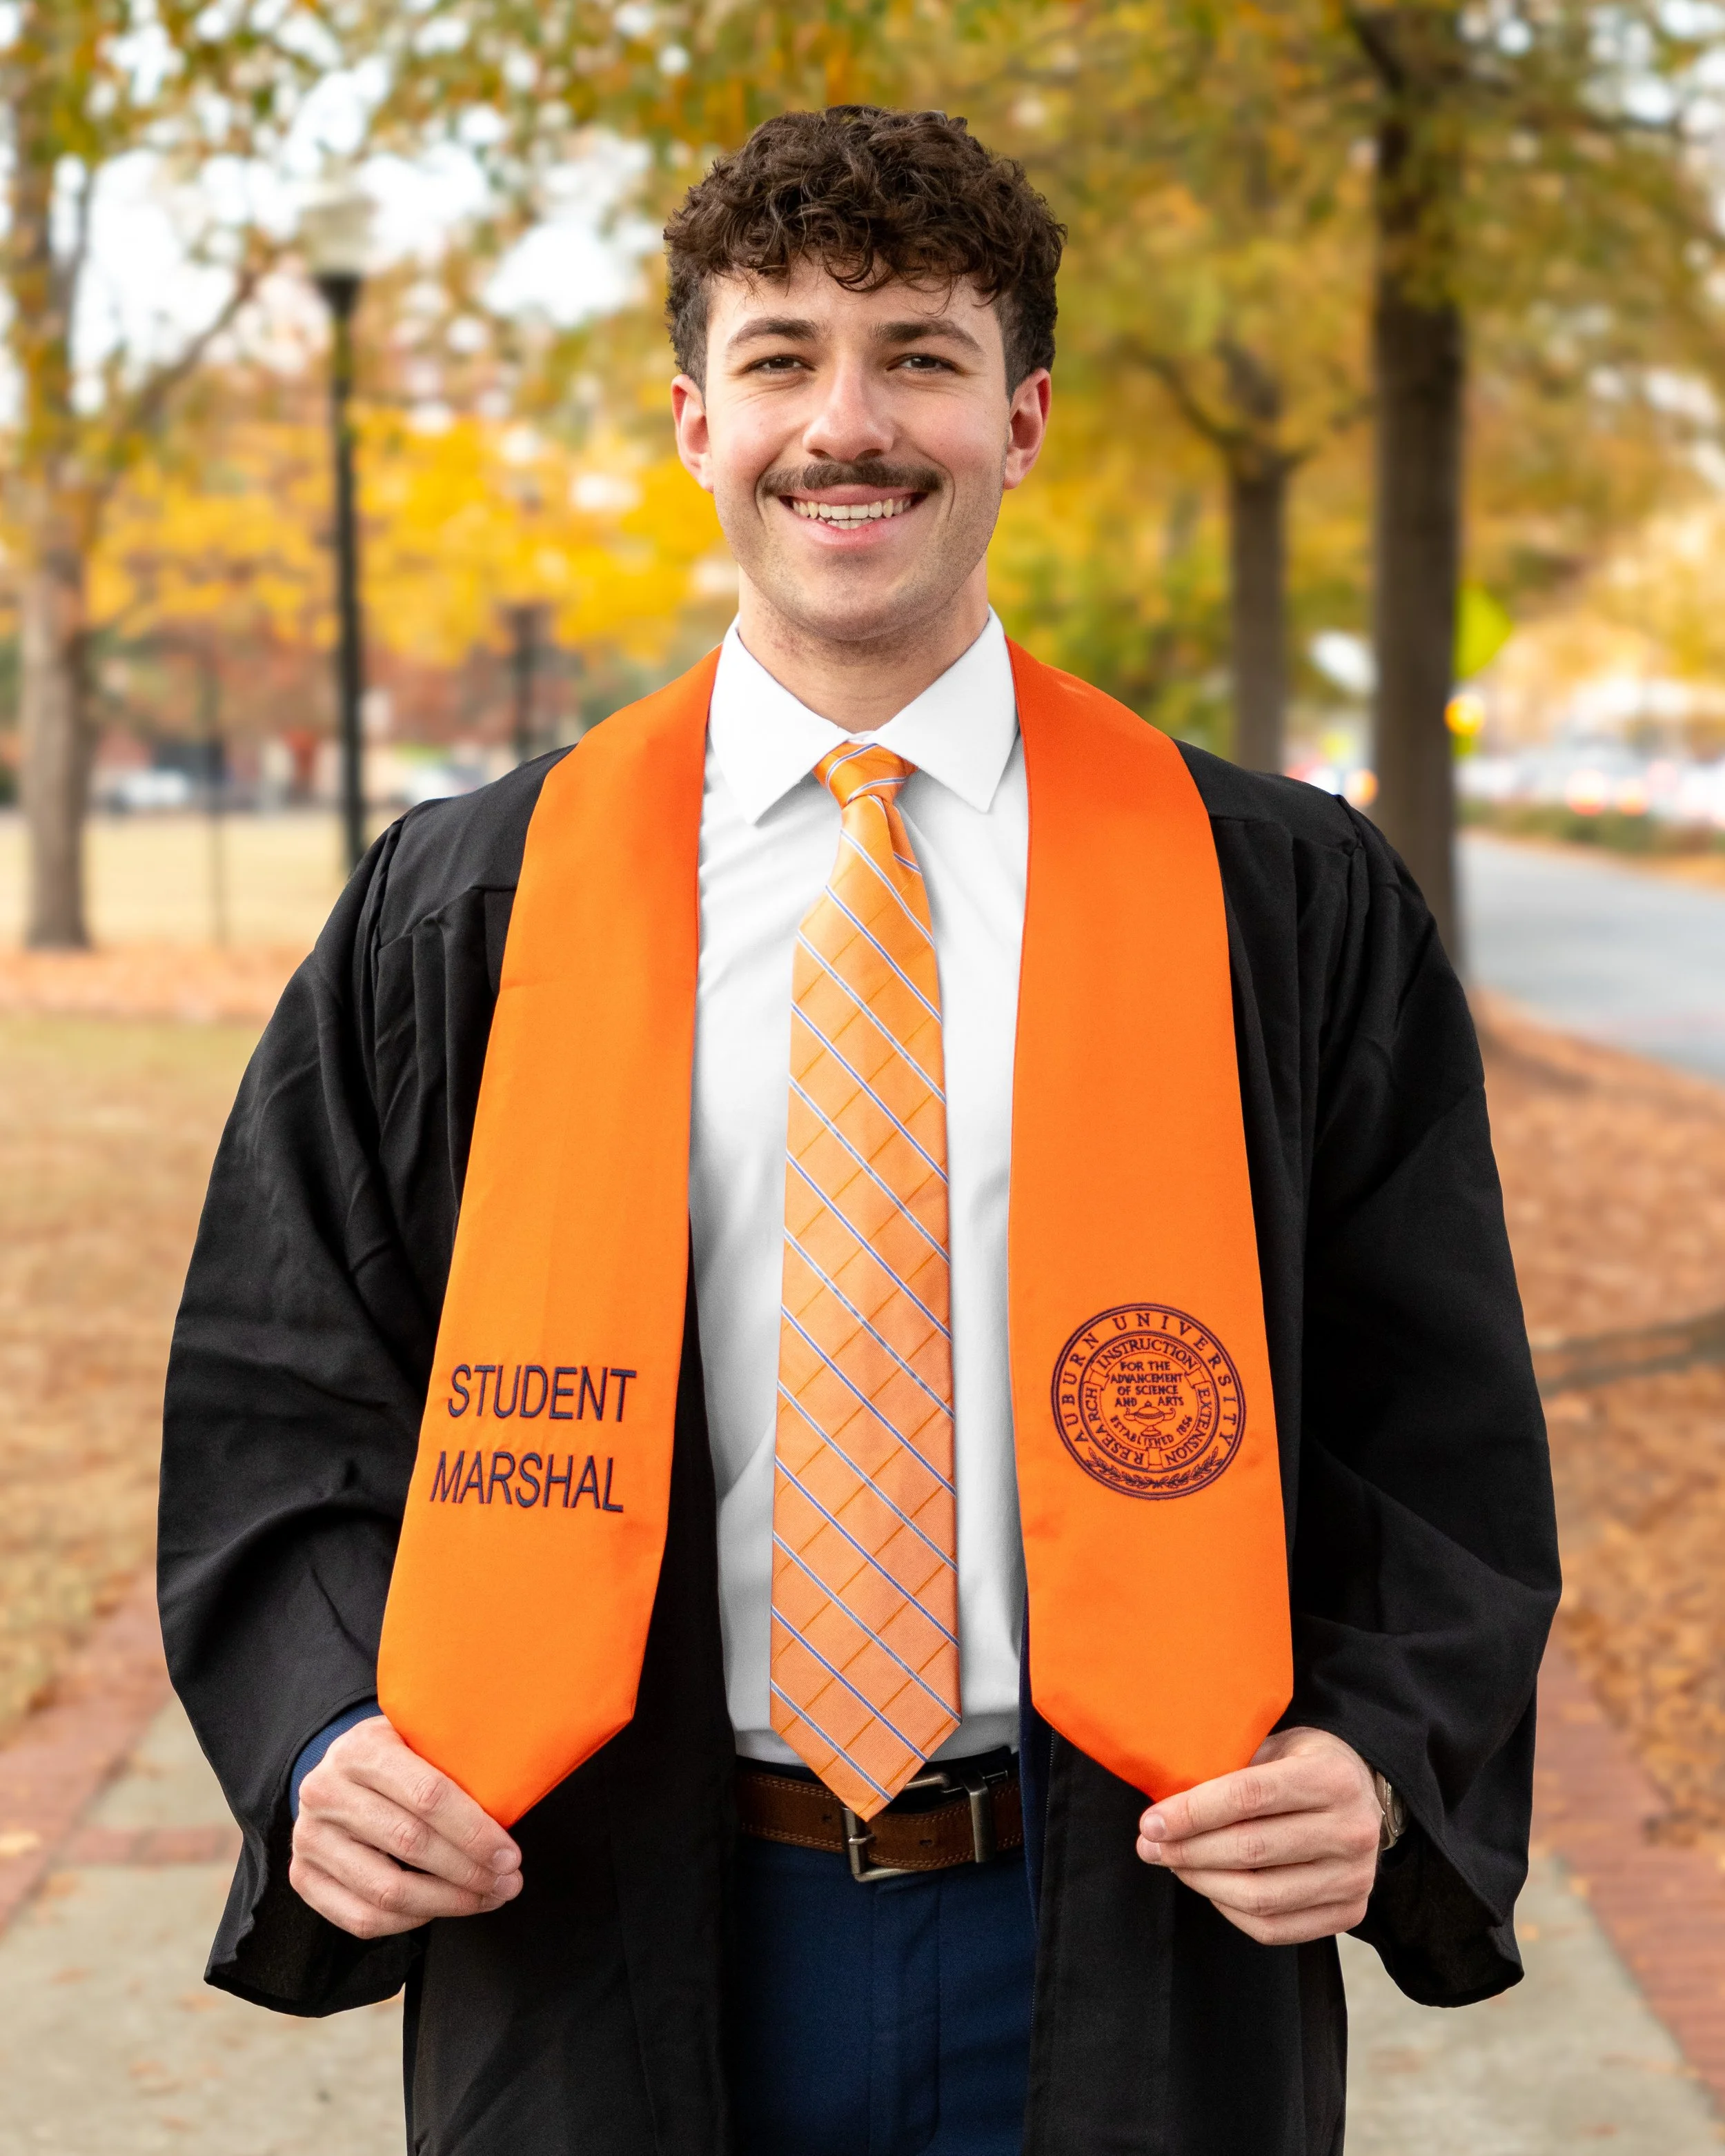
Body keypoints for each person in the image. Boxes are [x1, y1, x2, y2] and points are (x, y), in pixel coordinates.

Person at [159, 105, 1559, 2156]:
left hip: (1124, 1926)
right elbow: (288, 1389)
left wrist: (1378, 1751)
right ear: (690, 421)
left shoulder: (1274, 896)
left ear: (1024, 418)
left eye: (918, 353)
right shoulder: (472, 902)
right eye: (781, 357)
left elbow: (1427, 1417)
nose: (849, 422)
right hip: (612, 1914)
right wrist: (327, 1729)